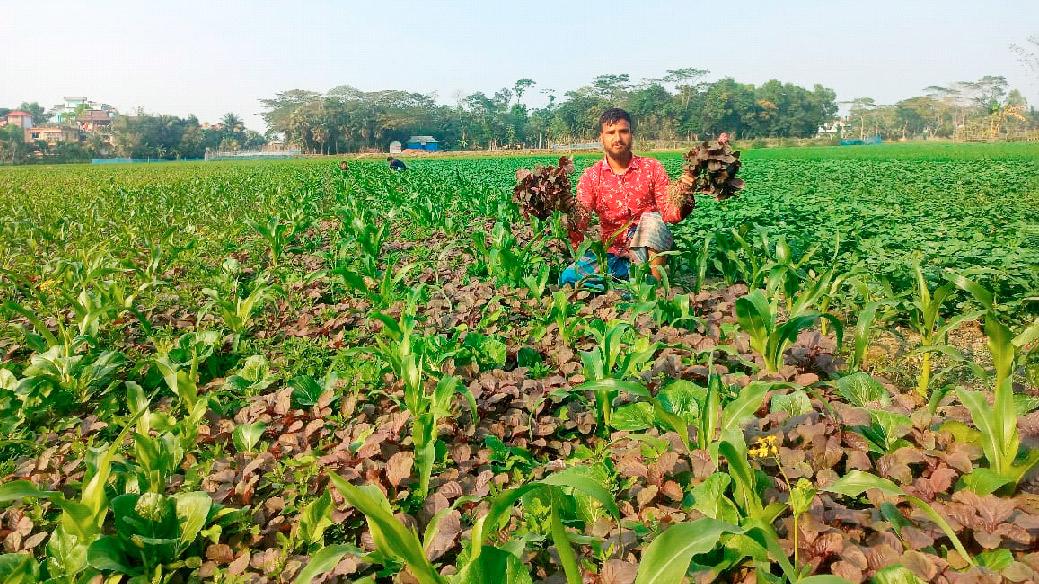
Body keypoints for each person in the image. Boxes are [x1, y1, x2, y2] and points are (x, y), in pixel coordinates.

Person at [560, 108, 687, 287]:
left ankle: (655, 288)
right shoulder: (591, 176)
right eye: (611, 133)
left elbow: (670, 214)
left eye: (623, 131)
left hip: (645, 251)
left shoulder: (652, 168)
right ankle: (624, 285)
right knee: (568, 278)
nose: (617, 138)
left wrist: (685, 194)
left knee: (653, 219)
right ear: (601, 138)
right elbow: (582, 220)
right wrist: (570, 211)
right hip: (612, 253)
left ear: (631, 134)